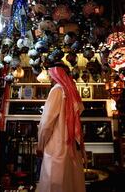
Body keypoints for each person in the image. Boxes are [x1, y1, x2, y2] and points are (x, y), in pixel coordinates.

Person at [36, 63, 86, 192]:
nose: (50, 78)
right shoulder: (71, 91)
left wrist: (40, 145)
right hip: (72, 148)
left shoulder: (57, 90)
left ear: (57, 74)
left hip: (56, 147)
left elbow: (46, 124)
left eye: (51, 75)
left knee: (54, 184)